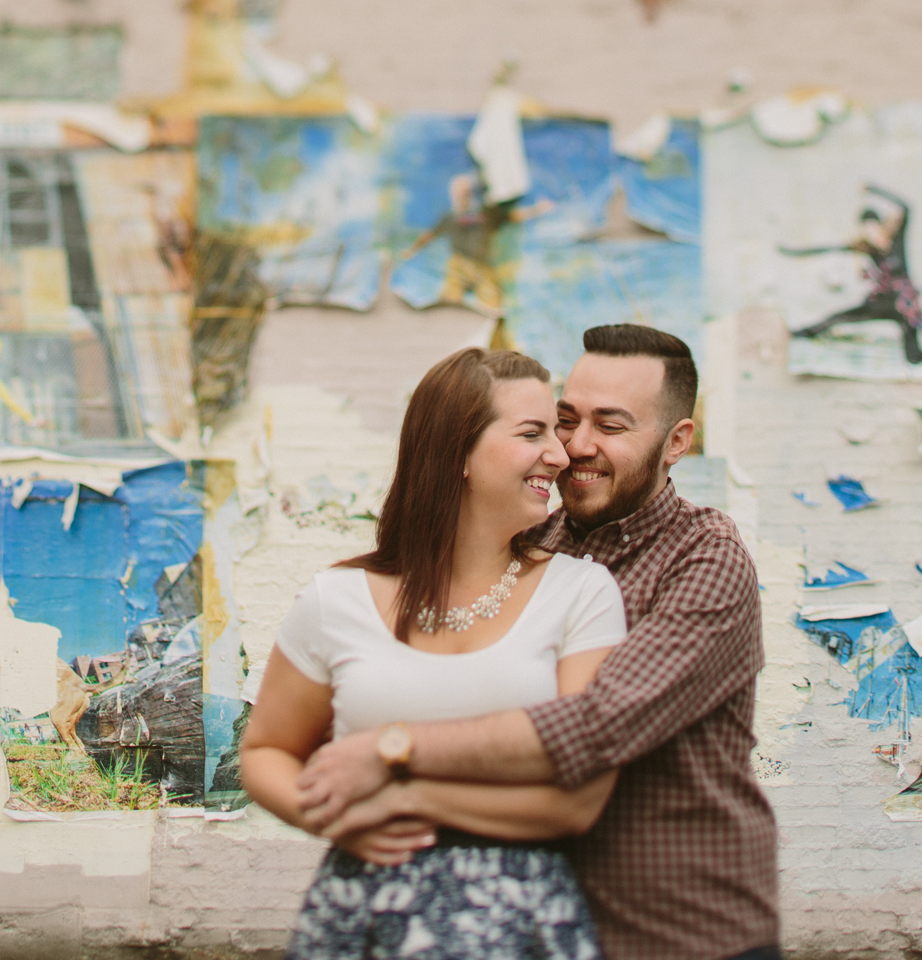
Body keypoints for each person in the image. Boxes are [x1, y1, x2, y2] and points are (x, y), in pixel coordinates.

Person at [291, 325, 780, 960]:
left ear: (676, 442)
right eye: (565, 419)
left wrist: (394, 750)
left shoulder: (705, 557)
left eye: (611, 426)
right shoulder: (531, 543)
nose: (576, 446)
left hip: (679, 932)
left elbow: (597, 724)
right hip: (535, 930)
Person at [242, 347, 624, 959]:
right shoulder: (335, 599)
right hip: (363, 916)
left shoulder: (581, 593)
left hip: (522, 921)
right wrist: (332, 818)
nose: (560, 453)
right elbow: (266, 751)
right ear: (457, 455)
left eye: (555, 431)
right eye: (533, 432)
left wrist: (404, 793)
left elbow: (579, 799)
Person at [785, 183, 922, 365]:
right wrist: (794, 252)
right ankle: (803, 333)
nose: (870, 233)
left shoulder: (896, 240)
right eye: (866, 230)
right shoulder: (866, 247)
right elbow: (828, 248)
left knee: (913, 351)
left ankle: (918, 363)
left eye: (872, 227)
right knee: (839, 317)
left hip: (903, 303)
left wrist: (875, 190)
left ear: (880, 225)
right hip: (880, 302)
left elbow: (907, 207)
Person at [397, 173, 551, 316]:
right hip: (458, 266)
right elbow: (430, 235)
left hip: (481, 266)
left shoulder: (487, 213)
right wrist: (411, 250)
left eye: (465, 191)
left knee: (494, 306)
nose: (462, 196)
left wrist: (536, 210)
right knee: (447, 305)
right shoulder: (450, 217)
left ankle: (497, 341)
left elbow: (513, 216)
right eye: (458, 192)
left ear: (472, 193)